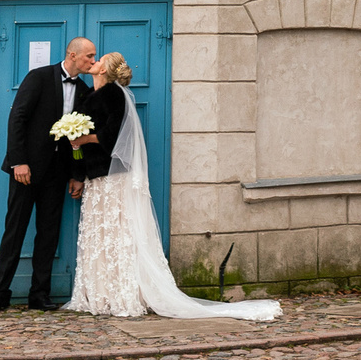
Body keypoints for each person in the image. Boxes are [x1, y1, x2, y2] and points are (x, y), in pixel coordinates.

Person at [63, 52, 281, 321]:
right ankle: (101, 294)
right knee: (101, 233)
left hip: (112, 176)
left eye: (100, 59)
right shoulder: (89, 95)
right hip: (94, 176)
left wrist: (85, 140)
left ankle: (122, 293)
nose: (95, 61)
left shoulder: (113, 94)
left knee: (117, 231)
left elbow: (114, 136)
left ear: (105, 70)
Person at [0, 37, 97, 311]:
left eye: (94, 57)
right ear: (72, 55)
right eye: (89, 56)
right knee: (15, 230)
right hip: (25, 170)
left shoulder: (84, 91)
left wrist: (77, 174)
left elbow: (80, 139)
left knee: (48, 233)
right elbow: (17, 118)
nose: (93, 61)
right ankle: (0, 293)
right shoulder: (39, 77)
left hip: (57, 173)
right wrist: (19, 162)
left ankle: (39, 294)